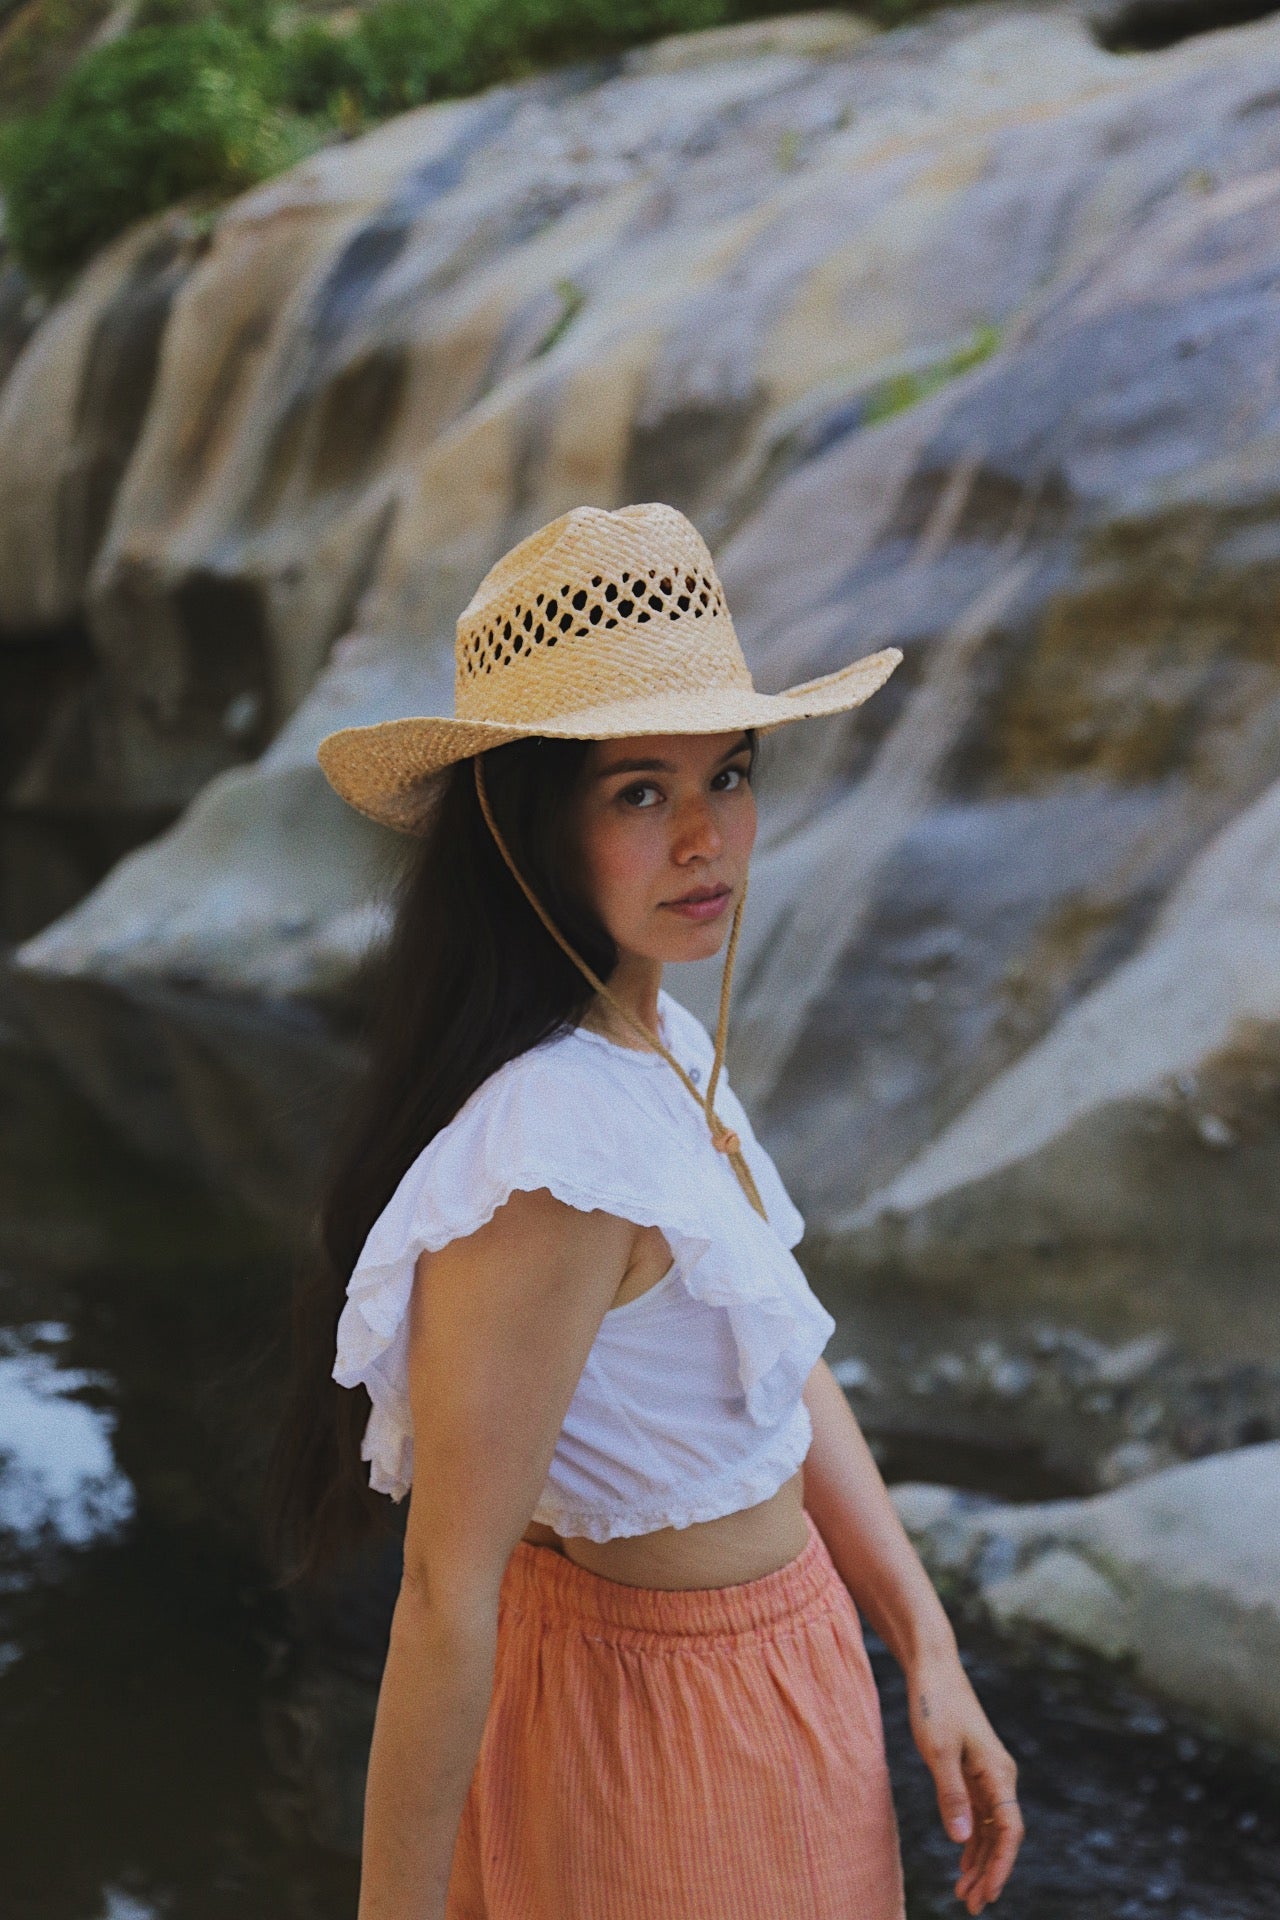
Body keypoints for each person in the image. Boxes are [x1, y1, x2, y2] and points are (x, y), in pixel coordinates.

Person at [266, 503, 1024, 1920]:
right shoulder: (551, 1153)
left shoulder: (657, 1046)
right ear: (526, 830)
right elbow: (445, 1595)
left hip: (782, 1681)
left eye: (728, 775)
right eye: (637, 792)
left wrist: (925, 1648)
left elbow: (777, 1361)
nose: (705, 836)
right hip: (660, 1725)